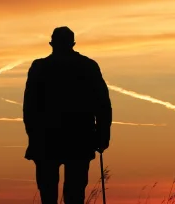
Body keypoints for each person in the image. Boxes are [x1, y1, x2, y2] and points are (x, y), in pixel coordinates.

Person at [23, 26, 112, 204]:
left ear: (52, 44)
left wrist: (33, 136)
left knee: (48, 193)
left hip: (47, 138)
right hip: (78, 138)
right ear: (73, 43)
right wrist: (102, 136)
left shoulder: (39, 67)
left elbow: (29, 107)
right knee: (75, 192)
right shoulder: (88, 66)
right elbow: (102, 105)